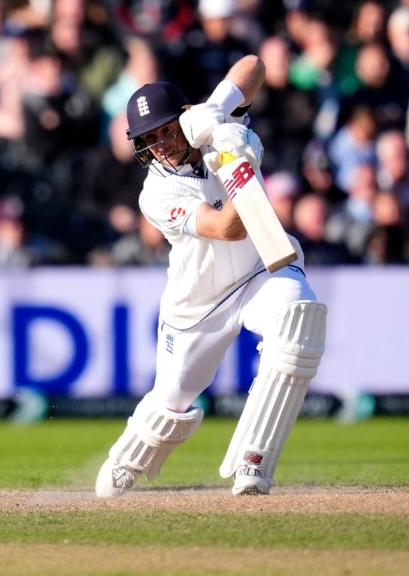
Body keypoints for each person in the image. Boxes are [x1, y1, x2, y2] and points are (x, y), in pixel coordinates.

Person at [95, 55, 327, 498]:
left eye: (165, 130)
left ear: (184, 119)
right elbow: (226, 227)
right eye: (149, 138)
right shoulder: (156, 194)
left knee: (300, 323)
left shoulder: (212, 123)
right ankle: (125, 460)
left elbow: (255, 65)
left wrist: (220, 108)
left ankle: (253, 462)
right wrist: (241, 163)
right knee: (172, 402)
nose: (160, 143)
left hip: (263, 269)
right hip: (199, 303)